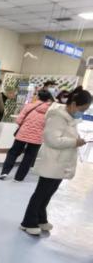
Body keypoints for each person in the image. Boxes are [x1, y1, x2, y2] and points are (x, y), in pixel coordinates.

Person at [20, 88, 92, 236]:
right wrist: (74, 142)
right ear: (73, 104)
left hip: (60, 163)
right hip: (52, 161)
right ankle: (28, 222)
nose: (82, 113)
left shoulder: (70, 118)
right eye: (82, 109)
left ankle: (41, 218)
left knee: (48, 193)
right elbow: (52, 139)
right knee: (41, 193)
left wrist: (76, 140)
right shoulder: (57, 116)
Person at [0, 90, 53, 182]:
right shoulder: (50, 111)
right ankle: (19, 178)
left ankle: (5, 172)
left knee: (13, 153)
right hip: (37, 137)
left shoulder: (30, 106)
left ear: (38, 97)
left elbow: (19, 120)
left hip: (23, 133)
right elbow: (50, 125)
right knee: (29, 157)